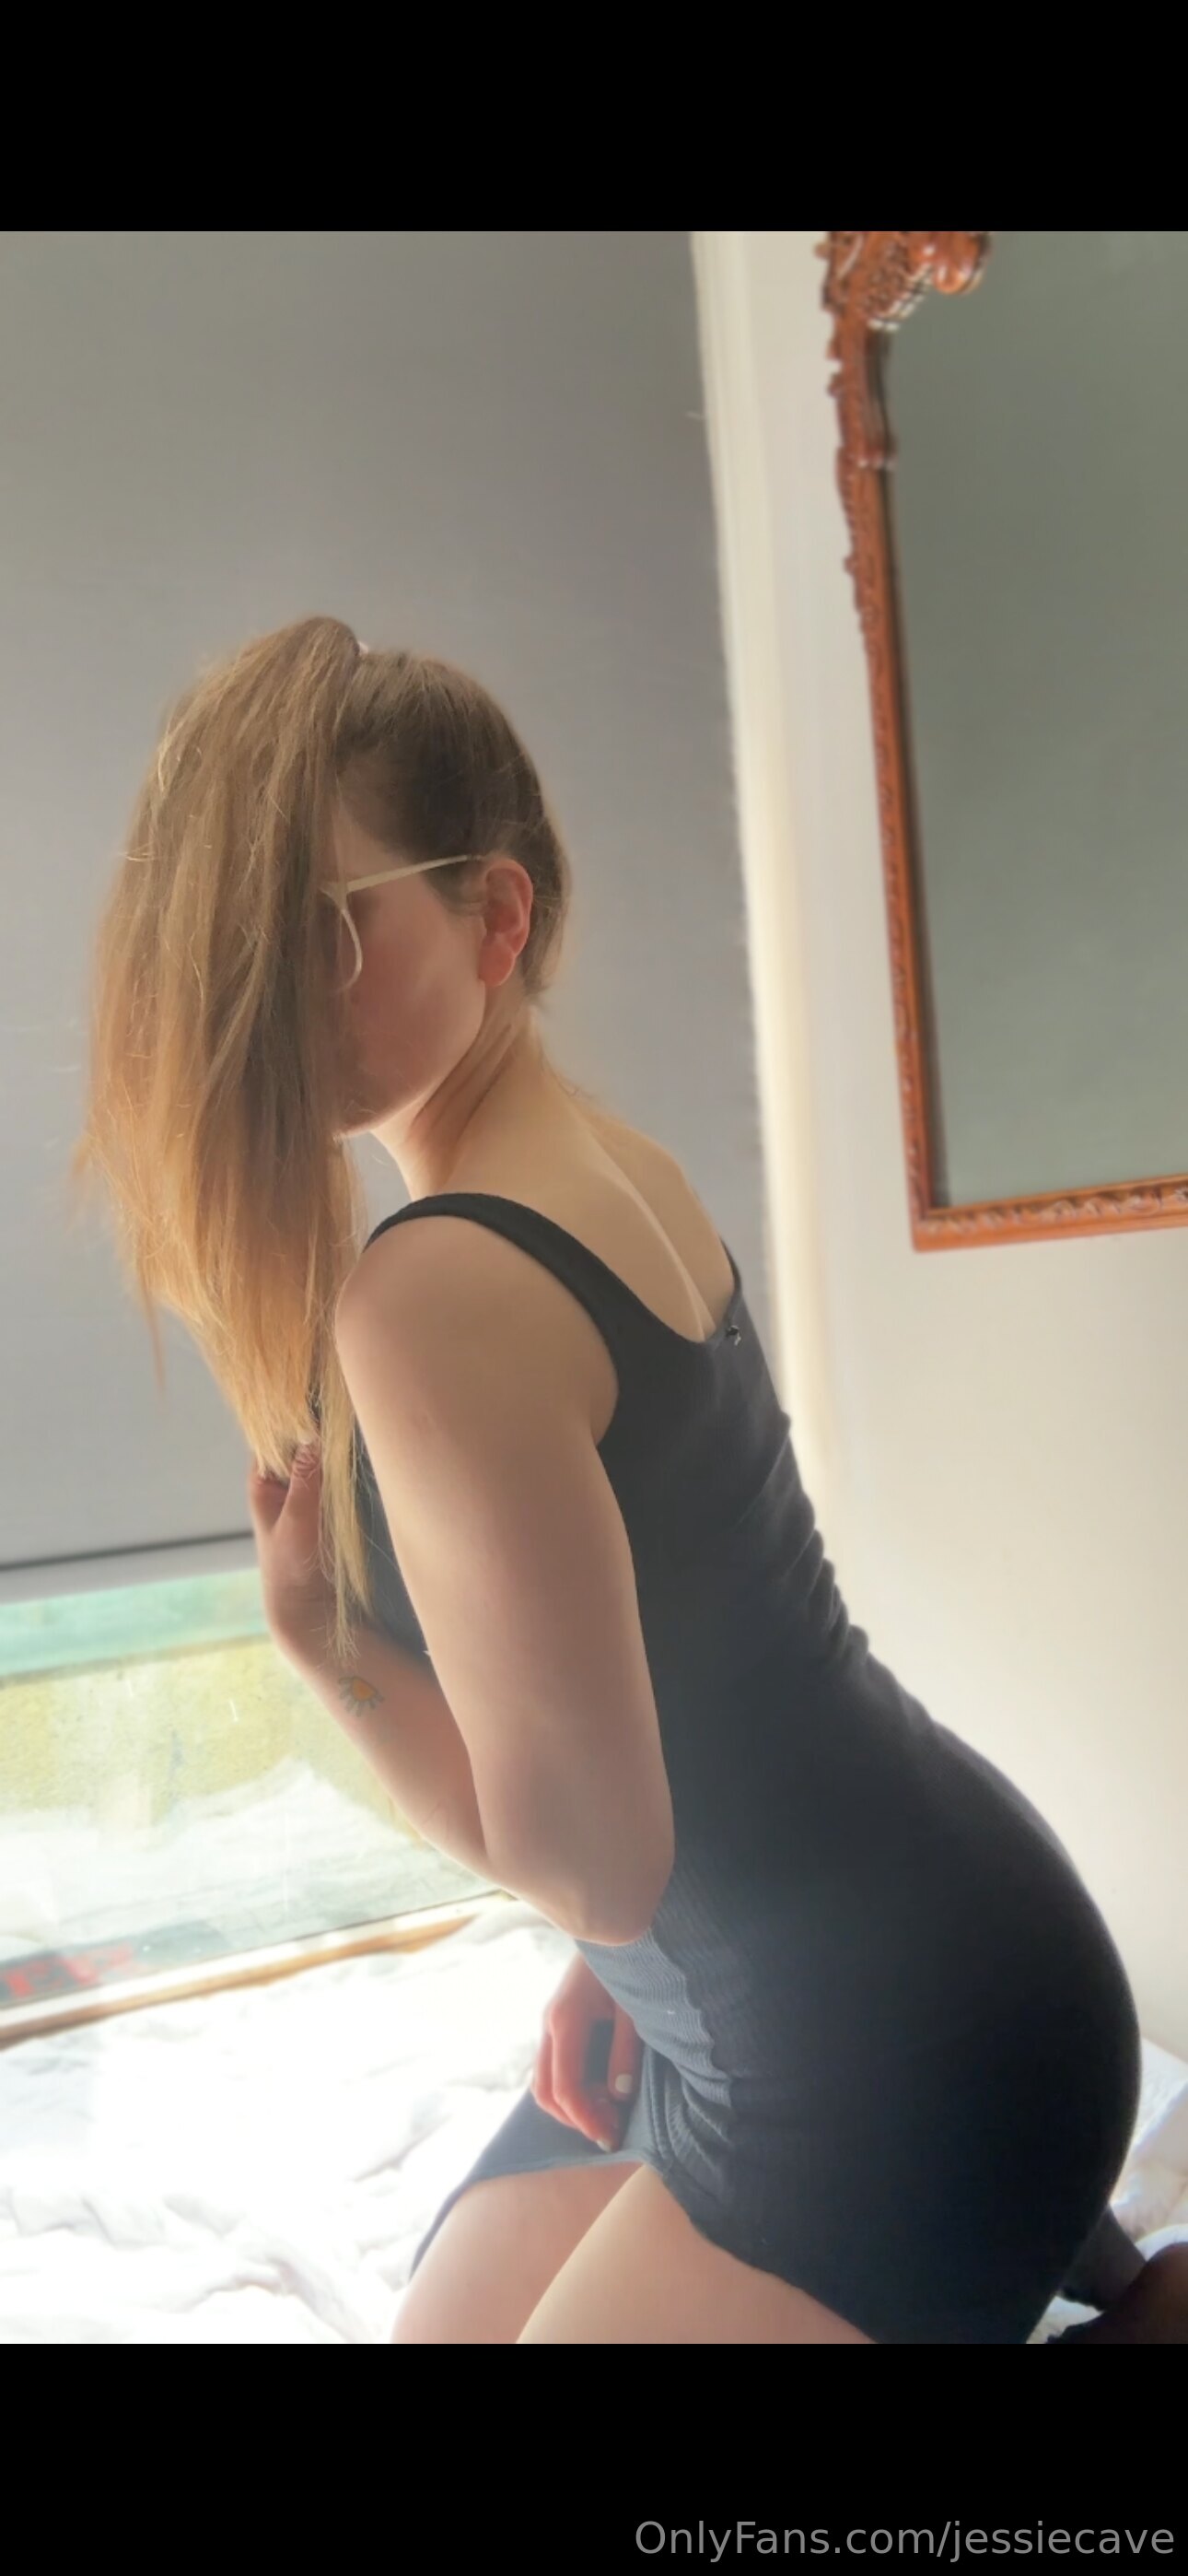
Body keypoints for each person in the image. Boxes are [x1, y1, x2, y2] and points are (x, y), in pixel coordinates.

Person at [79, 615, 1186, 2345]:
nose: (260, 997)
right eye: (233, 938)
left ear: (494, 917)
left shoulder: (430, 1292)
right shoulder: (608, 1158)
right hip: (909, 1947)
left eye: (323, 931)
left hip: (892, 2056)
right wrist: (619, 1968)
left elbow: (597, 1865)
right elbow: (685, 1650)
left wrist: (330, 1653)